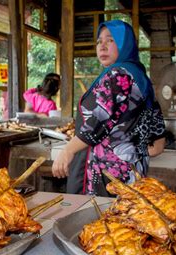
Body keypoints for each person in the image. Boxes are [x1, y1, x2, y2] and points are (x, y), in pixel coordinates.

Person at [52, 20, 166, 197]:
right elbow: (158, 143)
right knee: (123, 220)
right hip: (130, 173)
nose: (102, 47)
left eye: (110, 40)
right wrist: (131, 153)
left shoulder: (118, 74)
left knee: (97, 221)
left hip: (106, 175)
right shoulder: (141, 77)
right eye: (99, 41)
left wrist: (67, 151)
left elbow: (97, 123)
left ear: (125, 43)